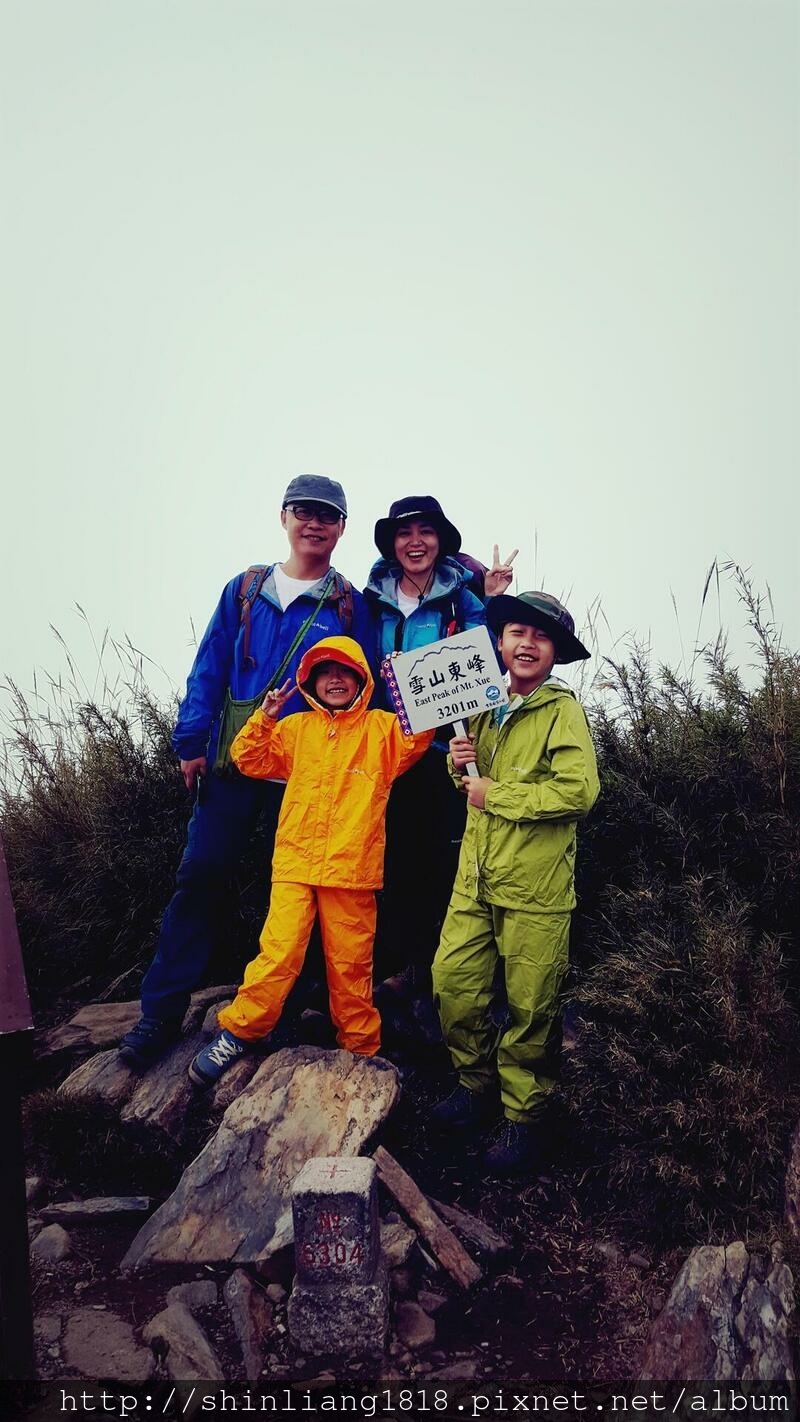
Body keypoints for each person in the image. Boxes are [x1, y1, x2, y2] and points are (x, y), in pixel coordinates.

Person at [119, 475, 375, 1071]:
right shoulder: (246, 589)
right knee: (202, 876)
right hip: (236, 763)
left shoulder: (348, 603)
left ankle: (290, 1011)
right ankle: (159, 1013)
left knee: (294, 897)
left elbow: (373, 687)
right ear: (284, 517)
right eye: (305, 513)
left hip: (312, 780)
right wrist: (191, 739)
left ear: (341, 528)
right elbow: (210, 662)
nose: (315, 524)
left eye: (328, 516)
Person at [187, 636, 433, 1085]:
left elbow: (419, 736)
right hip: (296, 867)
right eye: (325, 672)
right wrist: (264, 716)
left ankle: (361, 1052)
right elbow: (248, 758)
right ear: (309, 682)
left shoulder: (382, 729)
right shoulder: (296, 729)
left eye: (345, 671)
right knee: (278, 954)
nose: (335, 679)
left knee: (351, 965)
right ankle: (240, 1032)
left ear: (361, 678)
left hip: (353, 871)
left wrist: (401, 681)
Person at [430, 591, 600, 1175]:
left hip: (536, 888)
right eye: (517, 632)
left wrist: (492, 793)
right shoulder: (479, 702)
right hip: (473, 880)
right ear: (499, 643)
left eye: (542, 637)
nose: (527, 643)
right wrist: (458, 763)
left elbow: (578, 792)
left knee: (531, 1007)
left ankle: (524, 1119)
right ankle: (473, 1087)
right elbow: (468, 783)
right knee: (453, 983)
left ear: (555, 653)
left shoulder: (560, 710)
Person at [364, 495, 517, 994]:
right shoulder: (369, 602)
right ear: (392, 543)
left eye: (426, 532)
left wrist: (492, 600)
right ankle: (394, 970)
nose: (415, 542)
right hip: (384, 753)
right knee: (390, 862)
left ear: (440, 540)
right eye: (405, 533)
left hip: (445, 754)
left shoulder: (461, 600)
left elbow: (488, 659)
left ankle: (439, 976)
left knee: (443, 861)